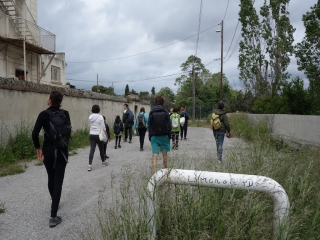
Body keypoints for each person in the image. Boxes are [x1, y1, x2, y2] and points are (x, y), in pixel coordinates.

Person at [32, 90, 71, 228]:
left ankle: (54, 205)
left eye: (48, 96)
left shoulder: (43, 114)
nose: (46, 98)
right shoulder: (65, 114)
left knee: (51, 177)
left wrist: (38, 149)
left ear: (50, 100)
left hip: (48, 151)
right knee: (58, 181)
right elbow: (67, 132)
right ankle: (53, 215)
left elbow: (34, 134)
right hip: (62, 151)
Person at [148, 96, 171, 173]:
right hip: (164, 136)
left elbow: (149, 125)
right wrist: (169, 136)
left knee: (155, 156)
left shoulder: (151, 112)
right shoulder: (165, 112)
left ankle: (154, 174)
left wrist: (150, 136)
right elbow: (169, 125)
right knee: (164, 155)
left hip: (154, 136)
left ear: (155, 102)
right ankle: (165, 172)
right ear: (162, 102)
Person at [88, 105, 108, 171]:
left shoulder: (90, 117)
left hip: (91, 134)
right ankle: (103, 162)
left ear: (92, 110)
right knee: (101, 149)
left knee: (92, 150)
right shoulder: (100, 117)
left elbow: (90, 125)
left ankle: (89, 165)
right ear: (98, 109)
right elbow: (103, 127)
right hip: (98, 134)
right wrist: (106, 134)